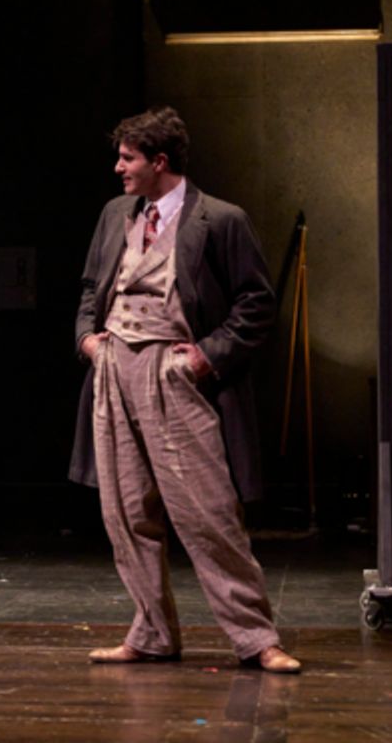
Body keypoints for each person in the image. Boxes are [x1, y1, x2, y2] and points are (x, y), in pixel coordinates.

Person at [71, 107, 301, 673]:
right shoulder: (114, 214)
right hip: (113, 369)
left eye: (128, 158)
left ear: (160, 161)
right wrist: (87, 341)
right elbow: (89, 288)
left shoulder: (220, 219)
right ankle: (151, 632)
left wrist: (205, 356)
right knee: (126, 511)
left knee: (206, 511)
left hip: (173, 374)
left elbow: (257, 303)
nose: (119, 168)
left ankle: (255, 637)